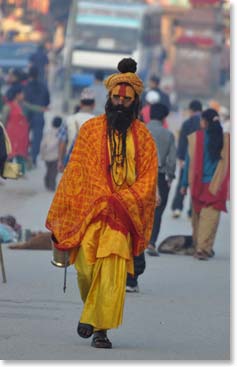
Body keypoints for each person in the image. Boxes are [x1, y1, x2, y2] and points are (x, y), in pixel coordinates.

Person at [45, 58, 158, 349]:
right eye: (116, 97)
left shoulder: (144, 137)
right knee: (85, 269)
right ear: (108, 98)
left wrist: (121, 199)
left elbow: (148, 179)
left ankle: (99, 330)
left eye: (126, 99)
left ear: (134, 102)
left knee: (111, 272)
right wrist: (68, 212)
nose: (120, 102)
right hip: (91, 212)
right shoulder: (91, 130)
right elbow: (76, 174)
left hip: (122, 215)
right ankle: (93, 314)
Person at [180, 108, 230, 260]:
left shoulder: (196, 138)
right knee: (211, 219)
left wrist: (183, 185)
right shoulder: (226, 140)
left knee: (198, 218)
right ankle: (204, 247)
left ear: (204, 122)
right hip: (217, 185)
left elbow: (188, 164)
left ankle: (201, 247)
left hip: (198, 185)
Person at [146, 96, 176, 256]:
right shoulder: (168, 134)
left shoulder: (140, 130)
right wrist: (170, 176)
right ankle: (151, 243)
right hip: (160, 174)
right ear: (164, 117)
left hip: (141, 174)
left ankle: (136, 241)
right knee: (157, 210)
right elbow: (171, 159)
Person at [171, 100, 202, 218]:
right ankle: (191, 211)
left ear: (191, 110)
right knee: (196, 185)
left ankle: (177, 208)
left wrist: (181, 158)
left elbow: (182, 142)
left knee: (182, 183)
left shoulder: (187, 123)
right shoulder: (204, 123)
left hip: (187, 158)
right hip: (200, 159)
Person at [57, 88, 95, 172]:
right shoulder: (98, 122)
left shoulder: (69, 120)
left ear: (80, 104)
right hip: (90, 164)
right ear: (93, 105)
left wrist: (60, 161)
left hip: (71, 162)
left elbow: (62, 142)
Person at [23, 66, 50, 168]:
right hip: (39, 115)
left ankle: (24, 156)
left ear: (29, 75)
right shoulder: (43, 86)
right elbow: (48, 101)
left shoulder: (25, 86)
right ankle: (33, 158)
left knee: (25, 136)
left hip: (26, 116)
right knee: (37, 138)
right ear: (38, 75)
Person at [3, 85, 29, 176]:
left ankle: (20, 173)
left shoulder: (23, 106)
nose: (23, 95)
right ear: (17, 95)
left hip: (22, 135)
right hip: (11, 134)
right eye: (22, 93)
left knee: (20, 153)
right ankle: (9, 173)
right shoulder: (8, 106)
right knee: (10, 153)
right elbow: (3, 120)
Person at [40, 116, 62, 191]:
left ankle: (47, 182)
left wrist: (42, 154)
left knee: (49, 170)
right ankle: (51, 186)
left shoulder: (48, 132)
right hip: (56, 156)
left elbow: (43, 144)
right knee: (54, 172)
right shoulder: (60, 133)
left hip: (47, 155)